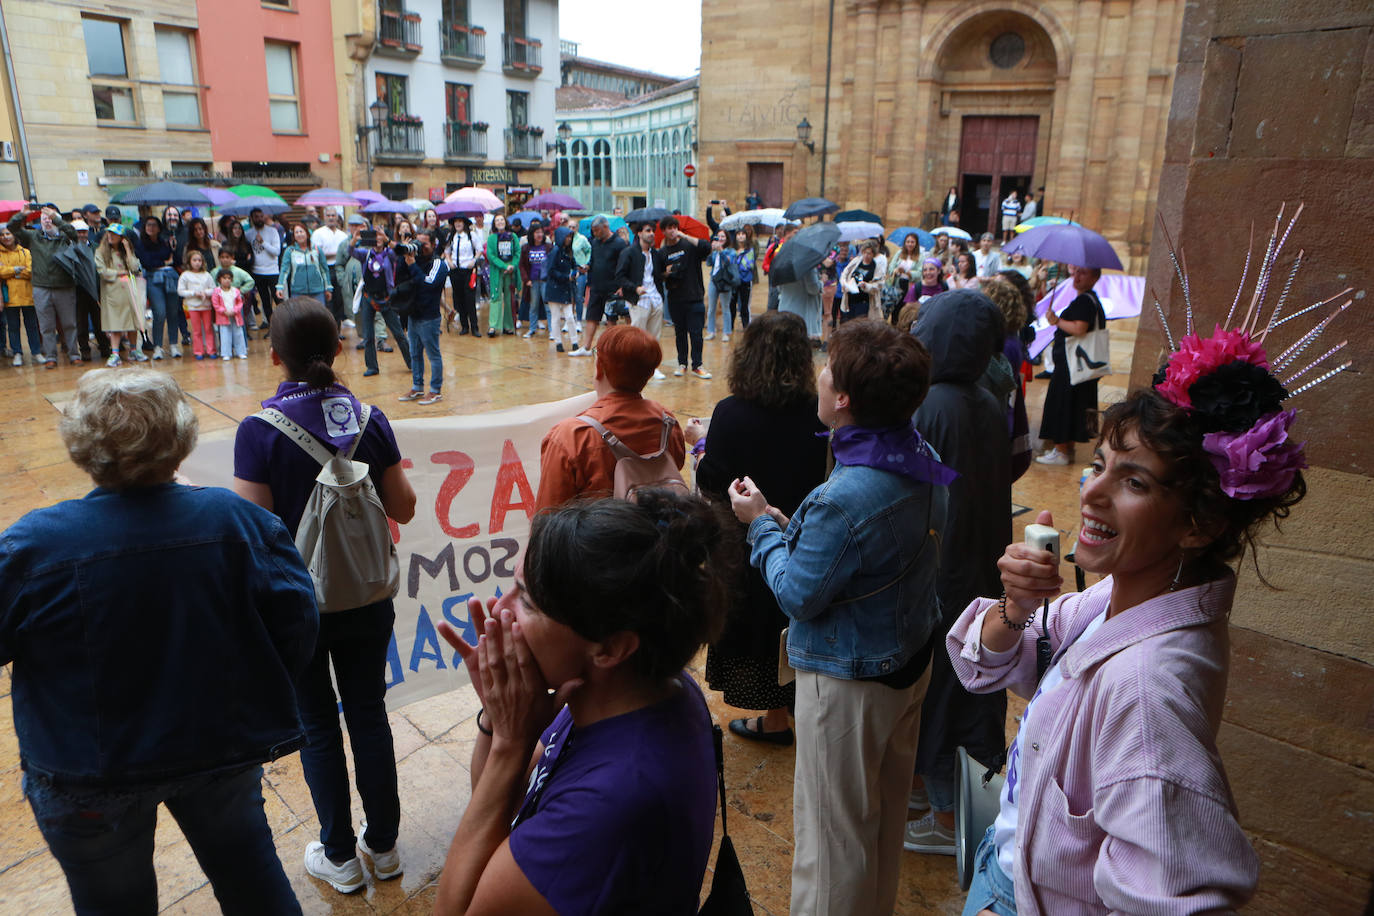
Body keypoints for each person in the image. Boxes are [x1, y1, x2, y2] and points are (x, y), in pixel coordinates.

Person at [950, 336, 1311, 913]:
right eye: (1099, 465)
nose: (1090, 492)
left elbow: (1171, 897)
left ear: (1199, 525)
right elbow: (988, 663)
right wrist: (1015, 608)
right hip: (1008, 870)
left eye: (1135, 482)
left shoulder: (1145, 688)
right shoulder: (1112, 603)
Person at [2, 368, 317, 914]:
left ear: (83, 446)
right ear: (180, 438)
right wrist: (252, 689)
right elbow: (298, 623)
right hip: (220, 744)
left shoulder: (32, 546)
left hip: (89, 769)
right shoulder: (241, 522)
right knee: (253, 881)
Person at [728, 319, 951, 916]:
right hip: (905, 660)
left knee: (831, 846)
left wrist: (761, 528)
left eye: (828, 367)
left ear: (845, 399)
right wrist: (790, 528)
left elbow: (798, 595)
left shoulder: (844, 495)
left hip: (848, 681)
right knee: (875, 826)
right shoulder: (918, 454)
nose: (819, 376)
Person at [430, 488, 728, 915]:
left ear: (610, 648)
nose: (500, 609)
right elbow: (509, 799)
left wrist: (511, 741)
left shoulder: (608, 810)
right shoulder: (639, 689)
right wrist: (500, 723)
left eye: (528, 601)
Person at [234, 296, 418, 896]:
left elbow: (255, 532)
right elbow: (406, 508)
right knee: (369, 711)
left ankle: (337, 853)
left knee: (316, 721)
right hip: (367, 595)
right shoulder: (371, 420)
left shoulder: (258, 432)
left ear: (273, 356)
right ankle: (384, 847)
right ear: (341, 348)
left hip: (297, 605)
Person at [903, 288, 1012, 856]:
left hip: (945, 572)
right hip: (980, 567)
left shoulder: (933, 405)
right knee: (961, 688)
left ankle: (947, 821)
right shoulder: (986, 400)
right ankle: (928, 798)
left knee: (944, 693)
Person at [696, 311, 827, 743]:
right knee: (798, 620)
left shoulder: (731, 413)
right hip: (808, 535)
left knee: (758, 627)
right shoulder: (820, 414)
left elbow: (713, 481)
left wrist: (700, 447)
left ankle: (773, 720)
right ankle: (792, 711)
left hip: (746, 540)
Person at [534, 324, 685, 511]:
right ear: (650, 373)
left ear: (599, 367)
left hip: (595, 540)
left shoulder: (571, 437)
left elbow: (547, 520)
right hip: (659, 537)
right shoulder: (667, 423)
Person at [1037, 265, 1106, 465]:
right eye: (1075, 272)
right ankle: (1067, 447)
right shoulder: (1089, 299)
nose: (1076, 276)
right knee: (1074, 404)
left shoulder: (1085, 301)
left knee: (1064, 404)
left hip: (1071, 365)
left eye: (1083, 272)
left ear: (1094, 277)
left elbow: (1079, 328)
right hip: (1077, 365)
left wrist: (1056, 321)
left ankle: (1061, 451)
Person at [8, 204, 81, 368]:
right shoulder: (33, 237)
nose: (47, 221)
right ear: (39, 221)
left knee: (69, 323)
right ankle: (50, 356)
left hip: (65, 286)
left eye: (50, 218)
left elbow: (74, 234)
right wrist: (22, 215)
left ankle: (74, 354)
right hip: (41, 287)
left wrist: (57, 218)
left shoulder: (64, 236)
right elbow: (12, 228)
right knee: (46, 325)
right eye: (44, 218)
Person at [655, 215, 718, 378]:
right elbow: (657, 275)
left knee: (696, 334)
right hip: (676, 298)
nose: (673, 230)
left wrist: (685, 236)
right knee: (680, 333)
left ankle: (697, 365)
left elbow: (706, 247)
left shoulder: (689, 245)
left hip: (695, 296)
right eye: (669, 228)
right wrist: (666, 273)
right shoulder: (662, 253)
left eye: (675, 227)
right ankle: (682, 363)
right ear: (663, 231)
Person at [397, 233, 448, 406]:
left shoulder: (439, 264)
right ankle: (417, 387)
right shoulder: (415, 260)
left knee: (433, 355)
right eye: (418, 244)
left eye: (425, 244)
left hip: (429, 317)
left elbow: (428, 285)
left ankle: (435, 391)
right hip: (413, 315)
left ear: (434, 244)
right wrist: (404, 256)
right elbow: (400, 276)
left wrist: (412, 265)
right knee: (415, 354)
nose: (421, 247)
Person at [353, 228, 411, 378]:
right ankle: (372, 366)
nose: (377, 239)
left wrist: (387, 239)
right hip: (368, 297)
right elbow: (350, 250)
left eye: (379, 236)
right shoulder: (365, 254)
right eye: (375, 236)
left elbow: (400, 250)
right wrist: (354, 239)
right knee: (368, 335)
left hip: (386, 298)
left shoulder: (389, 254)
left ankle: (412, 362)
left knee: (398, 333)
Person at [569, 215, 626, 356]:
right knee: (591, 316)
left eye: (597, 230)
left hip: (612, 287)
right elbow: (593, 260)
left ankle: (610, 349)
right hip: (596, 285)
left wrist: (621, 286)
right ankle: (586, 347)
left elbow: (624, 265)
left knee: (611, 319)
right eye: (593, 231)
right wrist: (587, 267)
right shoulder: (595, 242)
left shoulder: (619, 243)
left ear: (605, 227)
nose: (595, 234)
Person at [92, 225, 145, 366]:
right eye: (109, 233)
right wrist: (119, 273)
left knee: (133, 322)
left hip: (129, 292)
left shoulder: (126, 251)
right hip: (113, 293)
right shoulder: (101, 252)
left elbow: (134, 267)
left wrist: (127, 250)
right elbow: (102, 271)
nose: (111, 236)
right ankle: (115, 353)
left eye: (114, 234)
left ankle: (134, 350)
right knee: (115, 323)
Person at [0, 225, 38, 366]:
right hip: (10, 296)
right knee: (13, 327)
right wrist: (16, 270)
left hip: (28, 294)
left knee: (32, 325)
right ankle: (17, 353)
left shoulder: (25, 252)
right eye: (2, 235)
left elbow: (30, 271)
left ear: (14, 235)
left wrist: (11, 272)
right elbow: (0, 272)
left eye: (8, 234)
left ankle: (36, 351)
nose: (5, 237)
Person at [278, 223, 333, 314]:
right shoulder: (290, 251)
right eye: (297, 232)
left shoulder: (316, 249)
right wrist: (280, 287)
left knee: (319, 317)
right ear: (294, 236)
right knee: (300, 319)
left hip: (317, 290)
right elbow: (284, 270)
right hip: (298, 291)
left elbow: (324, 269)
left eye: (301, 231)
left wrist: (328, 288)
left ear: (307, 234)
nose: (299, 234)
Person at [245, 208, 282, 330]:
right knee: (265, 302)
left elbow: (276, 251)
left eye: (261, 216)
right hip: (257, 272)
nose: (259, 219)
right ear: (252, 218)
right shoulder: (248, 234)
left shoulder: (273, 231)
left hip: (273, 271)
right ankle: (272, 328)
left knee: (279, 300)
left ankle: (284, 324)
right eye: (256, 216)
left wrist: (263, 242)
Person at [177, 249, 217, 359]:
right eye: (194, 260)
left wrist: (205, 292)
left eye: (199, 260)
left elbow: (213, 289)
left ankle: (211, 350)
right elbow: (180, 291)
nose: (197, 262)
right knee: (197, 330)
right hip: (193, 306)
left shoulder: (206, 275)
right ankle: (198, 351)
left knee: (208, 328)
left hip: (206, 305)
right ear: (189, 262)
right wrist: (194, 293)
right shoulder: (185, 275)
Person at [544, 225, 579, 353]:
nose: (569, 239)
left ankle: (574, 341)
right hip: (555, 288)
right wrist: (566, 277)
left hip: (565, 288)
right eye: (567, 236)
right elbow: (551, 270)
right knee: (556, 316)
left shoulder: (568, 251)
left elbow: (574, 264)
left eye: (570, 236)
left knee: (569, 316)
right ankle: (558, 342)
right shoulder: (555, 251)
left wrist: (576, 271)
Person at [312, 208, 350, 325]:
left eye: (333, 215)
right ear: (324, 217)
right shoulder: (318, 233)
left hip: (339, 268)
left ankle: (338, 327)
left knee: (340, 299)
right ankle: (330, 327)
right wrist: (336, 254)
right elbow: (316, 253)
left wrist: (335, 255)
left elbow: (347, 253)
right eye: (328, 215)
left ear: (337, 217)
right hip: (325, 269)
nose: (331, 218)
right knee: (328, 300)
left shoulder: (343, 235)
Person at [445, 215, 481, 336]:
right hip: (456, 271)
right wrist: (450, 262)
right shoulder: (452, 237)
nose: (458, 224)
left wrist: (474, 260)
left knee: (470, 299)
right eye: (456, 222)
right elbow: (447, 251)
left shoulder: (471, 236)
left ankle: (474, 327)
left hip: (468, 270)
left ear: (464, 223)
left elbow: (479, 249)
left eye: (460, 222)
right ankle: (464, 326)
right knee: (459, 299)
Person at [485, 213, 521, 337]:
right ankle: (493, 326)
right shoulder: (491, 238)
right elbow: (491, 256)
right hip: (497, 271)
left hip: (510, 272)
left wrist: (512, 266)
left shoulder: (513, 236)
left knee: (509, 298)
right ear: (494, 224)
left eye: (502, 220)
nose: (500, 222)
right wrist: (504, 266)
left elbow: (517, 252)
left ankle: (509, 326)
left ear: (505, 222)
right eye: (497, 220)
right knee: (495, 297)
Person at [777, 257, 827, 344]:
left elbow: (779, 288)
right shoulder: (808, 266)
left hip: (784, 308)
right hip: (801, 312)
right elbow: (813, 289)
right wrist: (822, 282)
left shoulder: (782, 265)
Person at [519, 223, 551, 338]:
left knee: (548, 306)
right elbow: (521, 265)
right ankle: (532, 329)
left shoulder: (548, 247)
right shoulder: (526, 248)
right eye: (537, 232)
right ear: (532, 234)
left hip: (545, 281)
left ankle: (552, 331)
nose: (540, 235)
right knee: (533, 306)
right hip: (532, 281)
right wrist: (526, 279)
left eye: (541, 232)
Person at [212, 267, 249, 360]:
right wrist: (224, 311)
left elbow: (240, 302)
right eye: (224, 278)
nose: (227, 280)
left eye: (229, 278)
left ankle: (241, 351)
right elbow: (215, 304)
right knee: (225, 335)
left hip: (235, 316)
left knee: (238, 334)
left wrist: (235, 310)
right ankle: (226, 353)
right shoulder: (217, 292)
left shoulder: (235, 291)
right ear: (219, 279)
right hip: (223, 317)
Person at [839, 241, 882, 322]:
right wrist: (844, 283)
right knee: (849, 322)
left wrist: (866, 285)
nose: (866, 255)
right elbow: (845, 273)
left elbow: (879, 284)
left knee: (860, 322)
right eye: (865, 252)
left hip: (864, 300)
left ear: (873, 254)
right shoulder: (856, 261)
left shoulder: (876, 266)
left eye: (869, 253)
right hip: (850, 298)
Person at [705, 229, 734, 341]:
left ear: (726, 239)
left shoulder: (730, 251)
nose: (720, 239)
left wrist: (721, 250)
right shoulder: (715, 252)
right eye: (718, 237)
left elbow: (728, 262)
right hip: (714, 279)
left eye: (723, 237)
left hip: (725, 280)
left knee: (725, 307)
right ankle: (711, 331)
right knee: (711, 307)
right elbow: (708, 263)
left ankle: (726, 332)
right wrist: (711, 251)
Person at [730, 228, 756, 332]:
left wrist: (737, 260)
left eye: (743, 234)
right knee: (732, 304)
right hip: (734, 280)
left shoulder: (750, 249)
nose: (741, 236)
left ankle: (746, 327)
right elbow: (730, 264)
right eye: (738, 234)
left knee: (744, 305)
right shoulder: (732, 249)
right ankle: (730, 326)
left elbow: (749, 265)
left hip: (745, 280)